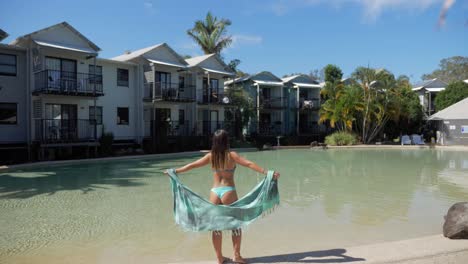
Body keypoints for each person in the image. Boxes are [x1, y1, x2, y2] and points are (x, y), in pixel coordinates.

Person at [166, 129, 280, 264]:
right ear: (227, 141)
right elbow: (249, 164)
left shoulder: (211, 156)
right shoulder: (231, 155)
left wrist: (174, 171)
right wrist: (267, 173)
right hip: (228, 191)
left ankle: (219, 258)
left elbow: (193, 165)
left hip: (215, 192)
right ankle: (237, 256)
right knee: (236, 225)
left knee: (215, 226)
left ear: (214, 142)